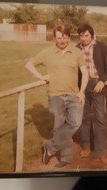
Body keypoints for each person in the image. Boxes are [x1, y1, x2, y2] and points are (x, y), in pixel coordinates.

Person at [25, 25, 89, 168]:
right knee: (59, 127)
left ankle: (50, 147)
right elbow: (29, 64)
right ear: (54, 38)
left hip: (74, 95)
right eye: (59, 37)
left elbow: (85, 73)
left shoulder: (77, 52)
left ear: (69, 38)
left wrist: (81, 91)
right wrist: (41, 77)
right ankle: (66, 157)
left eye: (65, 37)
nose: (62, 40)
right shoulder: (47, 52)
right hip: (55, 96)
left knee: (75, 123)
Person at [76, 24, 107, 164]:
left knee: (99, 118)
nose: (84, 38)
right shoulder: (76, 49)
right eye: (81, 35)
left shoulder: (101, 46)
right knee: (84, 117)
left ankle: (100, 151)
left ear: (92, 35)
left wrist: (103, 81)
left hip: (98, 85)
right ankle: (86, 146)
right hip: (83, 86)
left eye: (86, 35)